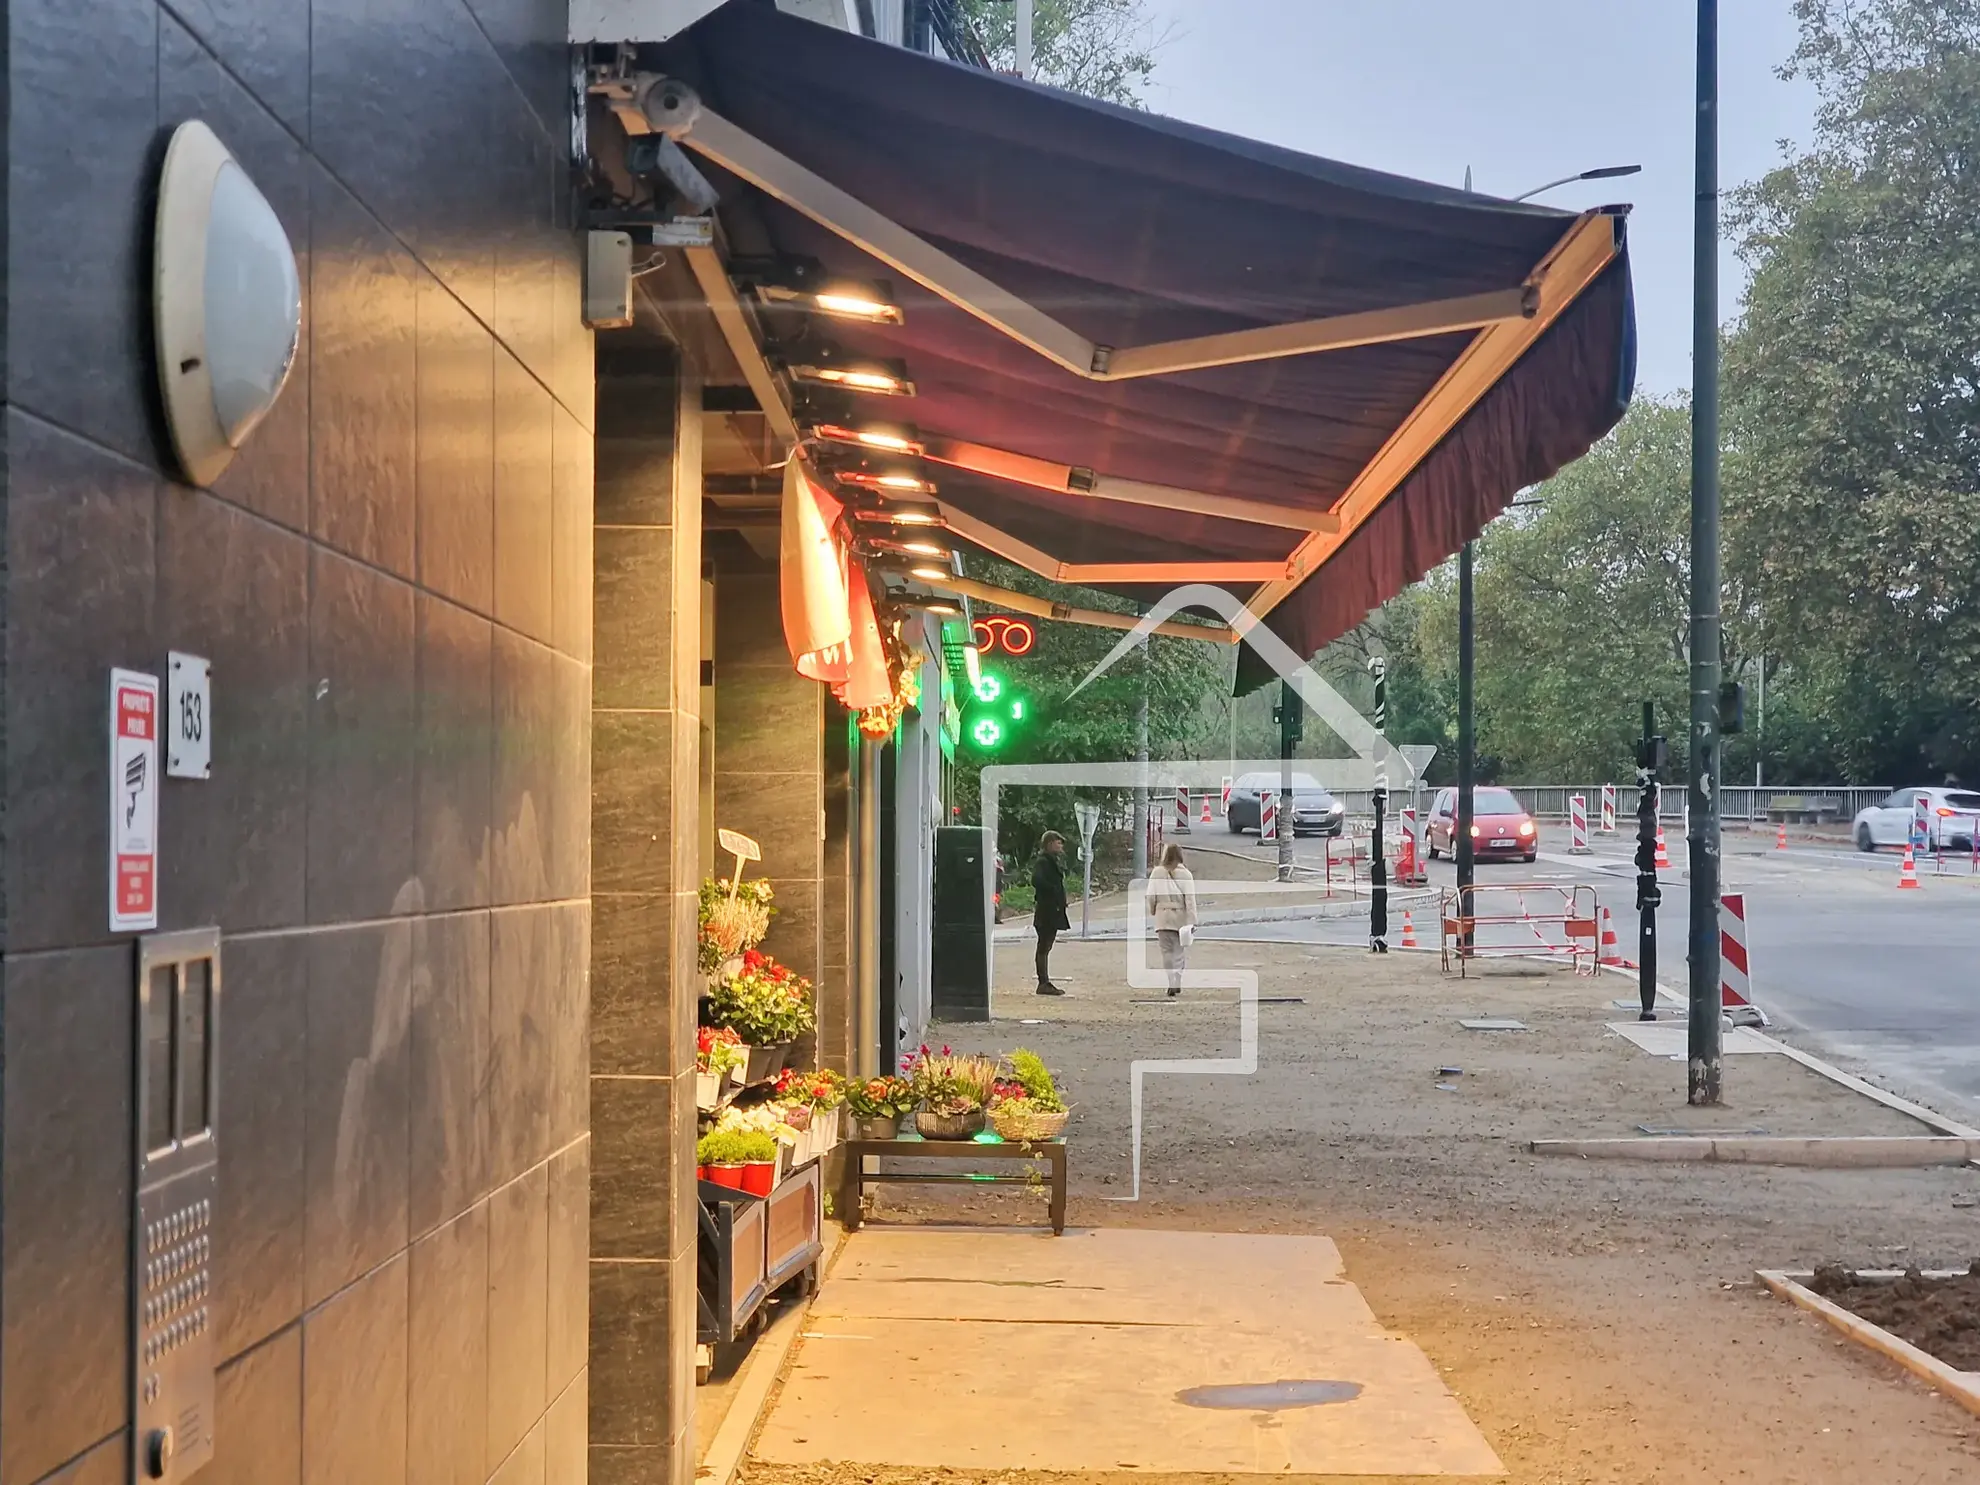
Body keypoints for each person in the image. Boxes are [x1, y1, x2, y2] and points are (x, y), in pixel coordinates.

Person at [1146, 843, 1199, 997]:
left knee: (1166, 952)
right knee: (1178, 951)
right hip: (1180, 918)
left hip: (1163, 916)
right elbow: (1190, 900)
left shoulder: (1157, 873)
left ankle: (1170, 981)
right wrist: (1192, 921)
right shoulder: (1186, 875)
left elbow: (1150, 896)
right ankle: (1177, 980)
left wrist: (1153, 909)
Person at [1031, 832, 1071, 995]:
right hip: (1046, 910)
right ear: (1048, 844)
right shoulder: (1043, 862)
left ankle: (1045, 981)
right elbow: (1037, 880)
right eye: (1057, 842)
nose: (1060, 845)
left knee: (1046, 946)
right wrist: (1053, 891)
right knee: (1044, 946)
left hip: (1052, 909)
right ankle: (1043, 982)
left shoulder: (1051, 861)